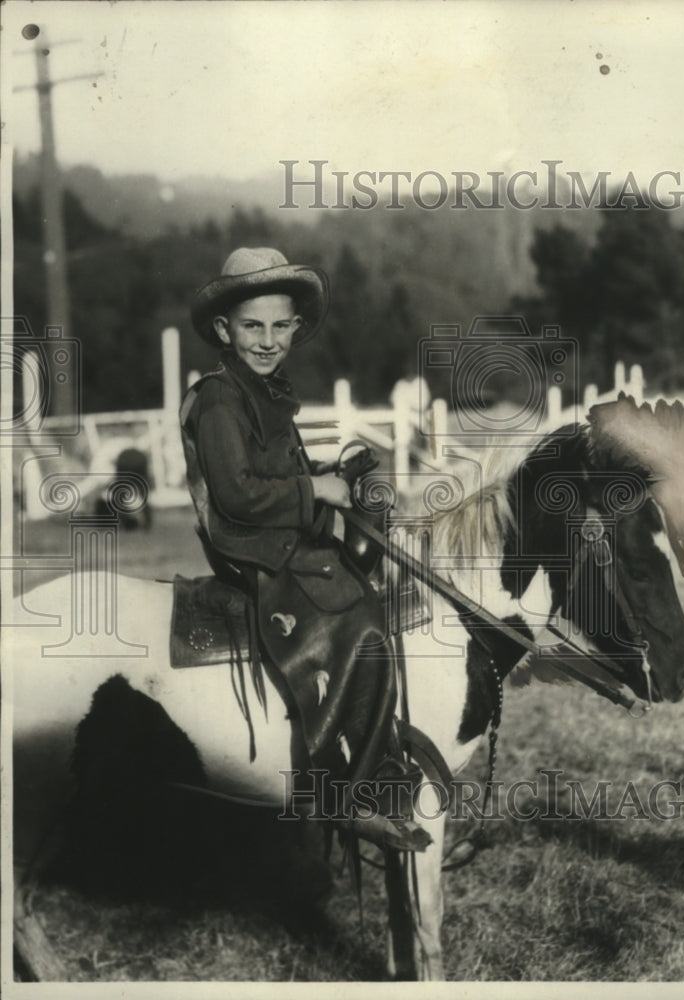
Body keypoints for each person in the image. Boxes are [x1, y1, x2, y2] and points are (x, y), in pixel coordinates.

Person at [180, 247, 427, 852]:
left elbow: (275, 469)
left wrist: (331, 471)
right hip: (248, 544)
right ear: (224, 329)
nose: (267, 341)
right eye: (251, 327)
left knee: (361, 576)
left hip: (277, 534)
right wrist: (315, 487)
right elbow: (237, 494)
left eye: (279, 326)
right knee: (363, 625)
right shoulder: (219, 398)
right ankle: (353, 792)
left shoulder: (262, 392)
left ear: (295, 328)